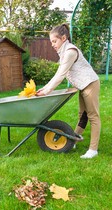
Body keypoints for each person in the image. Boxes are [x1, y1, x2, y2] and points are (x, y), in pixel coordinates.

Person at [36, 24, 101, 159]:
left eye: (54, 41)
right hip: (83, 85)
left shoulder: (70, 52)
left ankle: (93, 150)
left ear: (64, 38)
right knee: (82, 115)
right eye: (51, 42)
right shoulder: (64, 52)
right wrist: (45, 88)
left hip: (90, 84)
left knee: (93, 116)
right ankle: (74, 140)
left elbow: (61, 74)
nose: (52, 45)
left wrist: (47, 90)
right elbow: (59, 73)